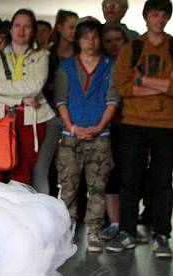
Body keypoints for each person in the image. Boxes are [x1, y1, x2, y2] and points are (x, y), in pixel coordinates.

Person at [110, 0, 173, 258]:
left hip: (167, 124)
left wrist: (142, 80)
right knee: (130, 179)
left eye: (164, 15)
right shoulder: (131, 48)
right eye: (155, 14)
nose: (159, 19)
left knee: (163, 181)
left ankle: (161, 235)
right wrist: (163, 85)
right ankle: (127, 232)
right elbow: (123, 87)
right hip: (134, 123)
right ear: (146, 17)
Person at [55, 18, 119, 251]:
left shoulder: (110, 66)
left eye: (94, 37)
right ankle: (67, 230)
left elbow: (113, 100)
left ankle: (94, 230)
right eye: (85, 37)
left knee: (98, 186)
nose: (90, 42)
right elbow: (61, 99)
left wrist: (100, 126)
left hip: (100, 135)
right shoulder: (66, 67)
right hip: (71, 134)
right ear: (78, 40)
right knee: (69, 185)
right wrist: (72, 127)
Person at [0, 9, 55, 185]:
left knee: (22, 175)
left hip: (31, 120)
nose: (22, 30)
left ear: (33, 31)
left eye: (27, 26)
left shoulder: (41, 56)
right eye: (17, 25)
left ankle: (19, 212)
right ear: (11, 29)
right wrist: (21, 99)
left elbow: (34, 87)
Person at [34, 10, 79, 196]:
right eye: (71, 27)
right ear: (59, 28)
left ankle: (76, 212)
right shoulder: (47, 54)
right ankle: (49, 203)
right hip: (49, 114)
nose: (75, 31)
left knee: (74, 166)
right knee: (46, 164)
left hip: (76, 116)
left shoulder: (81, 54)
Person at [99, 23, 129, 241]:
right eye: (108, 40)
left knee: (131, 174)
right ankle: (114, 223)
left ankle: (128, 224)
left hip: (133, 123)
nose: (113, 44)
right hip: (107, 126)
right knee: (110, 173)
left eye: (117, 39)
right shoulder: (101, 65)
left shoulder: (132, 62)